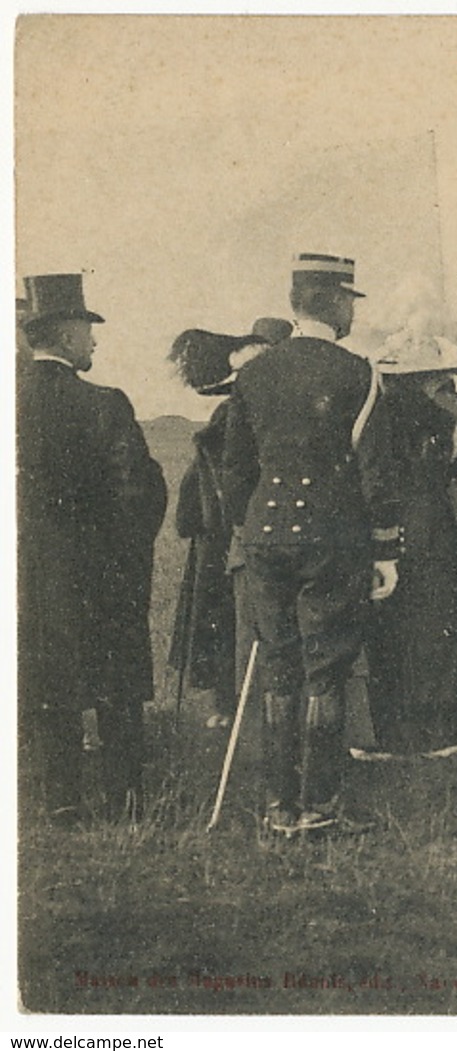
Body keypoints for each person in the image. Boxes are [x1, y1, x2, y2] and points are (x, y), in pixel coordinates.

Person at [221, 252, 402, 836]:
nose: (353, 311)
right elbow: (377, 473)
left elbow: (234, 472)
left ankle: (279, 809)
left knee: (280, 667)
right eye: (351, 300)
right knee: (326, 670)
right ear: (335, 303)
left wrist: (249, 528)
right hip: (334, 540)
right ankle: (320, 807)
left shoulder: (252, 375)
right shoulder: (359, 373)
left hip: (265, 538)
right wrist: (386, 550)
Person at [17, 272, 166, 825]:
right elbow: (140, 489)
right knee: (117, 688)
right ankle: (125, 802)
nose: (94, 342)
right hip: (101, 573)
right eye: (87, 330)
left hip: (30, 574)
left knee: (48, 686)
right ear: (64, 334)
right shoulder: (104, 403)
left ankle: (60, 802)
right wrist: (127, 555)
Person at [365, 329, 457, 757]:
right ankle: (431, 731)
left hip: (386, 527)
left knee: (387, 628)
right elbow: (455, 463)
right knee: (434, 625)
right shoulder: (442, 416)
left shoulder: (377, 412)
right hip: (430, 524)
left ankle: (388, 731)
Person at [166, 324, 281, 729]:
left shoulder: (228, 411)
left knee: (224, 614)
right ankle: (231, 703)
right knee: (229, 616)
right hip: (230, 527)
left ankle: (228, 703)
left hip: (219, 525)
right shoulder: (236, 414)